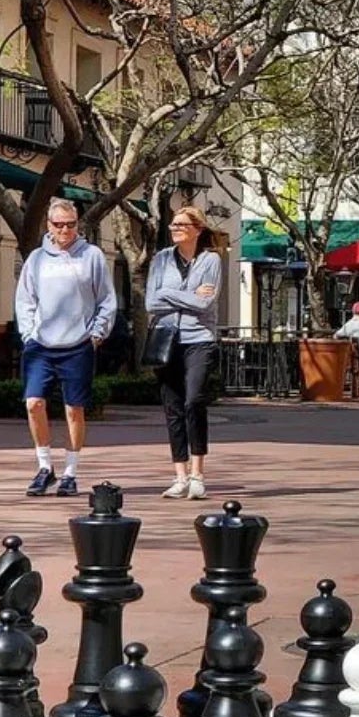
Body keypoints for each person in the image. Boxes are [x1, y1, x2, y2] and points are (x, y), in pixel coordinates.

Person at [14, 198, 116, 498]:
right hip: (41, 345)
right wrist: (28, 334)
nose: (65, 230)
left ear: (77, 224)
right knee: (33, 403)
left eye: (70, 225)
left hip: (78, 345)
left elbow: (107, 300)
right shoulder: (36, 259)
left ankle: (71, 472)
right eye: (58, 225)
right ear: (49, 225)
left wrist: (96, 334)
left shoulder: (92, 256)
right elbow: (25, 300)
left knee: (74, 409)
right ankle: (45, 466)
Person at [145, 206, 222, 500]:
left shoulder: (210, 260)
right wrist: (186, 297)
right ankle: (180, 476)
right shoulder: (161, 259)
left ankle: (197, 474)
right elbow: (151, 303)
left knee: (194, 401)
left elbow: (206, 305)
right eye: (173, 224)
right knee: (173, 407)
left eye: (181, 224)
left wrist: (168, 294)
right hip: (166, 339)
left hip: (199, 338)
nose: (175, 228)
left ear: (197, 229)